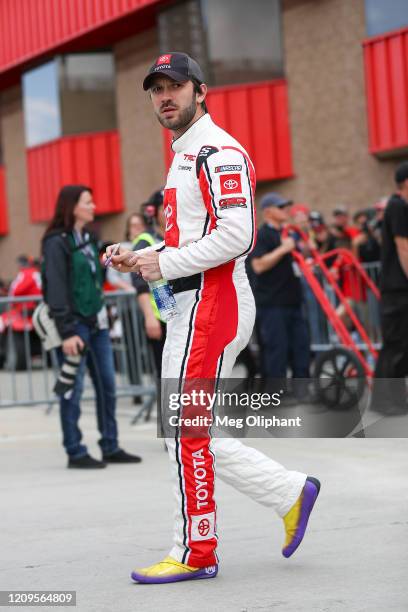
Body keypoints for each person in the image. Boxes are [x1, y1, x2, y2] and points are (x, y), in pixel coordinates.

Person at [106, 52, 320, 583]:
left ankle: (197, 552)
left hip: (213, 305)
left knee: (183, 430)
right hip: (197, 303)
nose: (164, 97)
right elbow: (189, 239)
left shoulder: (218, 150)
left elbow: (237, 236)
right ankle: (290, 491)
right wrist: (145, 253)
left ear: (200, 91)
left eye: (174, 86)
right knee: (187, 430)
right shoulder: (185, 153)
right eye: (155, 90)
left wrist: (165, 261)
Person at [41, 185, 142, 468]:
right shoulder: (56, 241)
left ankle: (110, 445)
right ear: (73, 206)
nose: (94, 206)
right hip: (74, 326)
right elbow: (57, 288)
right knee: (72, 389)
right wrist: (67, 331)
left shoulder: (87, 237)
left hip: (96, 323)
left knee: (107, 385)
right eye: (88, 202)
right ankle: (75, 450)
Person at [250, 193, 311, 396]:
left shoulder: (288, 234)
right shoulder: (262, 235)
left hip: (293, 300)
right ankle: (276, 395)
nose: (285, 210)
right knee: (277, 349)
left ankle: (302, 391)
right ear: (268, 211)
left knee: (301, 347)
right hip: (272, 304)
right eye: (280, 207)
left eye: (286, 206)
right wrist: (282, 250)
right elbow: (258, 265)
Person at [371, 162, 408, 416]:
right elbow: (403, 247)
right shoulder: (396, 205)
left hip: (401, 287)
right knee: (395, 343)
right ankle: (384, 401)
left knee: (403, 344)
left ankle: (396, 398)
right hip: (396, 288)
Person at [131, 190, 166, 376]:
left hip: (181, 313)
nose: (170, 211)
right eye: (164, 207)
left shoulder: (178, 237)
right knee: (166, 375)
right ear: (154, 212)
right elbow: (140, 285)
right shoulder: (146, 240)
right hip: (159, 315)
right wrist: (149, 318)